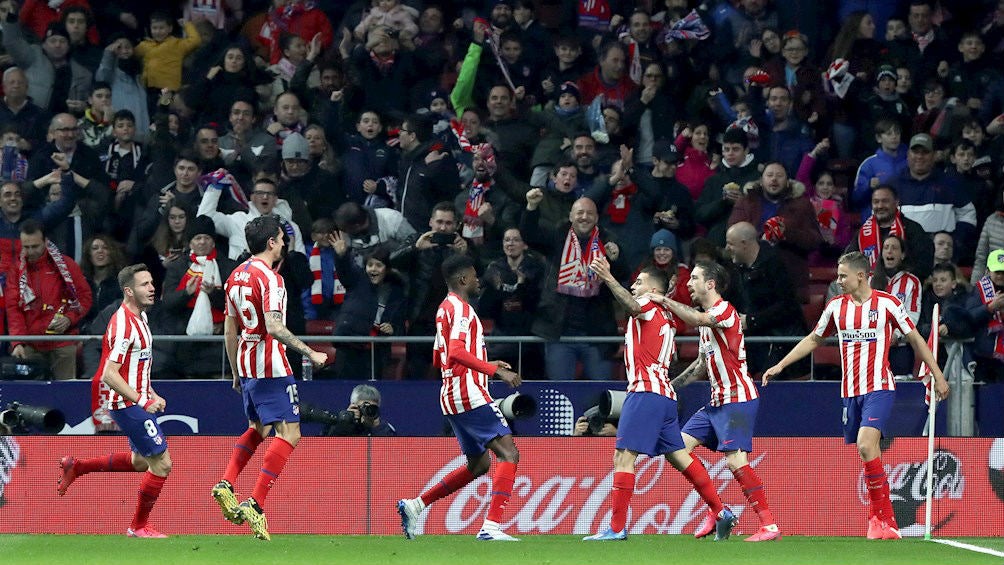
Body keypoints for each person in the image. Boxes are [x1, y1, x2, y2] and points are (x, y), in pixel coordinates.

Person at [763, 251, 949, 539]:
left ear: (860, 276)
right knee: (868, 453)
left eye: (842, 276)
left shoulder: (888, 303)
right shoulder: (836, 307)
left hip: (880, 387)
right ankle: (882, 520)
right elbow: (814, 339)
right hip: (850, 392)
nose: (837, 281)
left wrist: (937, 374)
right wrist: (780, 364)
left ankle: (882, 520)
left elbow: (914, 339)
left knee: (865, 445)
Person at [580, 257, 739, 542]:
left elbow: (630, 304)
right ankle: (720, 509)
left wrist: (607, 277)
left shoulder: (648, 306)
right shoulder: (665, 316)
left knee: (623, 457)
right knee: (680, 457)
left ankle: (615, 529)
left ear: (653, 288)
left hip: (646, 392)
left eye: (639, 282)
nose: (634, 286)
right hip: (664, 395)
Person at [210, 215, 328, 541]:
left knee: (258, 429)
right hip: (271, 366)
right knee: (290, 434)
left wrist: (235, 371)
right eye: (281, 238)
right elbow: (275, 327)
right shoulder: (271, 280)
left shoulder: (235, 276)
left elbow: (230, 328)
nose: (284, 243)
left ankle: (226, 481)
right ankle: (257, 504)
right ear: (271, 243)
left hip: (247, 365)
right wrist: (311, 353)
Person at [648, 260, 781, 542]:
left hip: (738, 399)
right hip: (716, 403)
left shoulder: (723, 310)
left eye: (694, 278)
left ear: (710, 284)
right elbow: (700, 365)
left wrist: (662, 299)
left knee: (736, 462)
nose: (688, 284)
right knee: (676, 449)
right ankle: (719, 510)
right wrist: (669, 387)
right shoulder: (707, 321)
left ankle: (768, 524)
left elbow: (696, 320)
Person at [397, 254, 523, 542]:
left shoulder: (444, 308)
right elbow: (454, 352)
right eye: (475, 275)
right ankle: (491, 527)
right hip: (469, 394)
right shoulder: (463, 311)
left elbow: (438, 355)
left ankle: (415, 506)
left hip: (452, 393)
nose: (479, 280)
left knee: (479, 465)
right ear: (463, 279)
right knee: (509, 454)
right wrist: (493, 371)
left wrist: (485, 361)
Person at [56, 264, 171, 538]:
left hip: (134, 400)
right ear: (129, 291)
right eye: (145, 284)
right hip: (127, 405)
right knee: (162, 464)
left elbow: (136, 364)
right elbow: (109, 374)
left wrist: (150, 391)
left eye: (152, 282)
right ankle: (138, 526)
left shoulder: (141, 317)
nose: (152, 287)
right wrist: (143, 400)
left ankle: (78, 467)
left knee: (142, 461)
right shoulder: (123, 325)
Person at [5, 219, 92, 380]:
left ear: (45, 241)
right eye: (26, 247)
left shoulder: (66, 265)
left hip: (62, 342)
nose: (30, 252)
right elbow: (13, 308)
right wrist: (17, 342)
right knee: (30, 399)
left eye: (35, 246)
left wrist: (69, 318)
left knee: (67, 394)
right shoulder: (16, 271)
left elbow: (85, 297)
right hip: (30, 343)